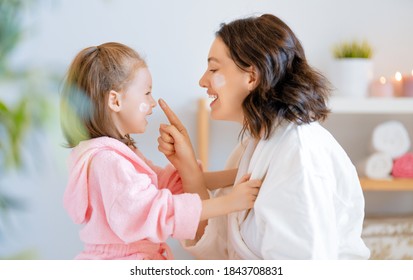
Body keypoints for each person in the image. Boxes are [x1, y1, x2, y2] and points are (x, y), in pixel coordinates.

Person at [158, 14, 370, 259]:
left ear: (251, 76)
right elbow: (221, 251)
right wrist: (187, 167)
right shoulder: (253, 146)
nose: (202, 80)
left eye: (214, 68)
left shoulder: (299, 153)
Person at [60, 42, 261, 260]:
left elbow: (170, 185)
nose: (152, 102)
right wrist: (230, 202)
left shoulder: (121, 154)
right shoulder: (108, 162)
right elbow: (157, 211)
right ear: (115, 100)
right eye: (146, 93)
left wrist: (238, 174)